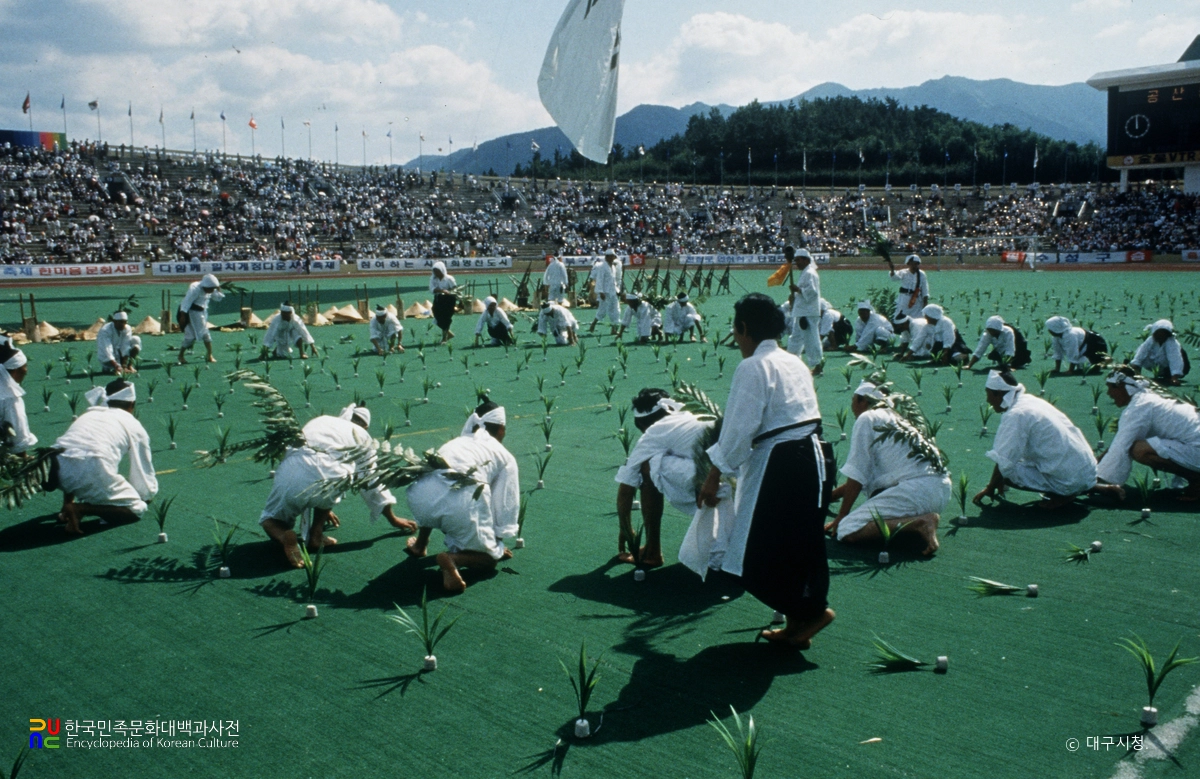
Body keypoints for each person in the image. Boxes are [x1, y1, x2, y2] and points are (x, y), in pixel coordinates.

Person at [697, 293, 835, 649]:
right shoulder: (794, 361)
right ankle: (800, 619)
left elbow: (740, 427)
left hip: (784, 460)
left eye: (736, 330)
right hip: (815, 456)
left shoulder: (753, 367)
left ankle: (810, 612)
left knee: (755, 549)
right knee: (802, 541)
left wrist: (714, 475)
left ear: (743, 328)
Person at [259, 405, 415, 567]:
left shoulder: (321, 420)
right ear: (365, 426)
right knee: (335, 475)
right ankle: (316, 534)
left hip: (292, 471)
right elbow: (372, 481)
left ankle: (284, 536)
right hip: (330, 482)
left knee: (270, 520)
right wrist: (393, 519)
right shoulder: (362, 436)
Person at [403, 401, 520, 593]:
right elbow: (505, 506)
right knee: (489, 561)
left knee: (440, 484)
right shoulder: (505, 457)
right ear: (500, 429)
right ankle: (452, 559)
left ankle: (420, 544)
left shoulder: (456, 442)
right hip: (458, 508)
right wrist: (495, 547)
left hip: (419, 498)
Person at [825, 381, 948, 555]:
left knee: (847, 529)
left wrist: (842, 515)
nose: (852, 406)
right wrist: (830, 497)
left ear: (863, 402)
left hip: (915, 493)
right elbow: (866, 475)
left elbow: (857, 473)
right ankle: (912, 523)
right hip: (939, 493)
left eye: (853, 400)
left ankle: (920, 522)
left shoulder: (867, 417)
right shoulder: (900, 418)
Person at [614, 389, 716, 568]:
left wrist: (625, 527)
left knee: (649, 466)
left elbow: (627, 484)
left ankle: (653, 552)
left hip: (717, 482)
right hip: (745, 478)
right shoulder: (690, 415)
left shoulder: (654, 432)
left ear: (643, 425)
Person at [972, 370, 1099, 509]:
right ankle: (1088, 487)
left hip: (1069, 479)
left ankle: (1064, 494)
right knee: (1013, 464)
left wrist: (991, 487)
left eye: (988, 394)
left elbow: (1004, 460)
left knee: (1008, 474)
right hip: (1088, 471)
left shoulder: (1016, 414)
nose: (988, 400)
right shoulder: (1030, 400)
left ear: (999, 393)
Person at [53, 379, 157, 535]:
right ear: (132, 404)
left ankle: (68, 505)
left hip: (55, 467)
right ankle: (80, 509)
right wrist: (145, 495)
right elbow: (142, 468)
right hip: (92, 468)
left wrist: (67, 500)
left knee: (79, 457)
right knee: (136, 509)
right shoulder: (133, 425)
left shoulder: (90, 413)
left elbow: (72, 449)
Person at [1097, 367, 1200, 501]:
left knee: (1139, 450)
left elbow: (1121, 445)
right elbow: (1120, 441)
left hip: (1196, 449)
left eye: (1111, 388)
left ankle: (1197, 481)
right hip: (1194, 446)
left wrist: (1095, 480)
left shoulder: (1140, 406)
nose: (1109, 393)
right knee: (1138, 445)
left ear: (1122, 386)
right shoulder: (1147, 398)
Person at [786, 247, 823, 370]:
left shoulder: (810, 273)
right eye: (795, 260)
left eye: (798, 260)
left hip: (808, 312)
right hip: (801, 311)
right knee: (796, 337)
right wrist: (795, 295)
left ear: (806, 260)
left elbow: (812, 292)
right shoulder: (805, 272)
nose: (796, 263)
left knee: (811, 338)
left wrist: (798, 290)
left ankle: (817, 364)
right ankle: (792, 361)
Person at [176, 273, 224, 364]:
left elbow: (218, 298)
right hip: (191, 313)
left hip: (202, 313)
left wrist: (218, 288)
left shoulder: (210, 289)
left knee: (200, 335)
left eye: (213, 288)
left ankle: (209, 355)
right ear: (205, 286)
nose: (211, 290)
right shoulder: (195, 288)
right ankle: (181, 355)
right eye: (211, 288)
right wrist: (182, 316)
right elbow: (186, 303)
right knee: (193, 336)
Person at [0, 343, 36, 454]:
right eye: (24, 368)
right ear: (16, 371)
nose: (26, 371)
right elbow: (18, 434)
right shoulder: (10, 397)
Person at [1131, 320, 1188, 386]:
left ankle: (1170, 376)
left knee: (1172, 368)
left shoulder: (1172, 343)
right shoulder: (1150, 341)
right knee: (1142, 357)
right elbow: (1140, 355)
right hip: (1158, 365)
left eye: (1163, 333)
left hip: (1177, 367)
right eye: (1158, 333)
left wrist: (1174, 377)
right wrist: (1133, 370)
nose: (1160, 336)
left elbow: (1175, 360)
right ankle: (1137, 374)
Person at [965, 315, 1032, 370]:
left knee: (1017, 361)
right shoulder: (987, 334)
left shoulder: (1008, 332)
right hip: (1001, 351)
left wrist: (1008, 366)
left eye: (993, 330)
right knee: (992, 356)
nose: (991, 332)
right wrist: (969, 365)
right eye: (989, 330)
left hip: (1017, 351)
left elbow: (1010, 349)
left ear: (998, 328)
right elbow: (980, 349)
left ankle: (1011, 363)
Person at [588, 249, 623, 334]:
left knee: (616, 310)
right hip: (605, 292)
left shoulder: (613, 267)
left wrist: (617, 290)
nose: (613, 258)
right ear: (607, 257)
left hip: (613, 291)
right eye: (611, 256)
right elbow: (599, 280)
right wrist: (601, 292)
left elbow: (614, 280)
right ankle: (593, 324)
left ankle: (614, 329)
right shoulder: (602, 267)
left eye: (613, 257)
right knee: (602, 311)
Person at [886, 254, 929, 321]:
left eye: (916, 264)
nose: (914, 266)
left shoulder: (921, 274)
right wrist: (892, 269)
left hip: (916, 301)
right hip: (904, 299)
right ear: (908, 264)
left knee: (917, 319)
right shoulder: (903, 272)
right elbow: (894, 278)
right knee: (900, 317)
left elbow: (925, 289)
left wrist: (925, 303)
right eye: (912, 264)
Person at [429, 261, 458, 344]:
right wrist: (441, 290)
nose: (436, 273)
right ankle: (448, 333)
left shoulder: (449, 279)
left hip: (449, 300)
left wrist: (449, 292)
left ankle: (444, 337)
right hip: (439, 299)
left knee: (446, 318)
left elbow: (455, 289)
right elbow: (432, 289)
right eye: (435, 271)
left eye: (437, 271)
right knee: (437, 315)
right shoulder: (433, 279)